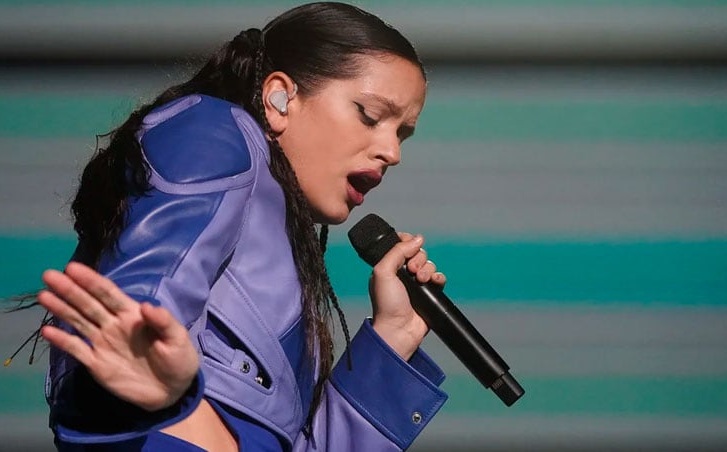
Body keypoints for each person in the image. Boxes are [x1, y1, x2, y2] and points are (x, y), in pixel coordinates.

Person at [34, 2, 449, 450]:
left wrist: (394, 335)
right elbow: (150, 282)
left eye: (402, 133)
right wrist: (140, 350)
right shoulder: (213, 131)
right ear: (278, 98)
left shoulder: (280, 257)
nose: (392, 151)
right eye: (369, 115)